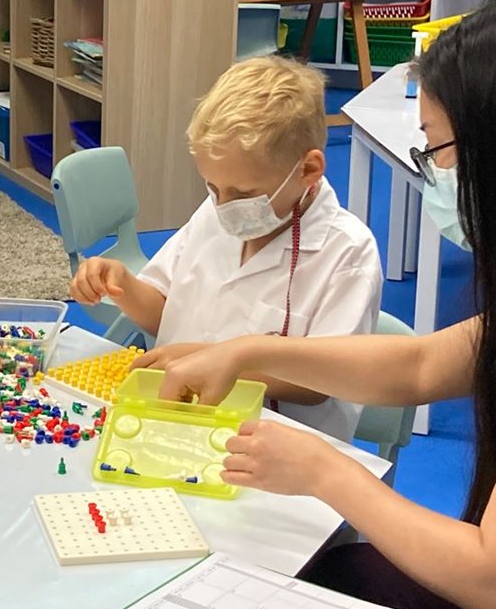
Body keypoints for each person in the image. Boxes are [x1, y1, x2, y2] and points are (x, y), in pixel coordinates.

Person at [160, 0, 496, 609]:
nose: (435, 175)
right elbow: (421, 364)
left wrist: (323, 470)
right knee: (323, 575)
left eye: (437, 150)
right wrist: (246, 352)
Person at [70, 56, 382, 440]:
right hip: (176, 427)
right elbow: (165, 313)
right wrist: (123, 285)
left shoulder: (347, 253)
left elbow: (323, 380)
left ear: (308, 170)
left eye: (243, 193)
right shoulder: (218, 213)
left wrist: (210, 360)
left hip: (275, 447)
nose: (223, 205)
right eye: (213, 188)